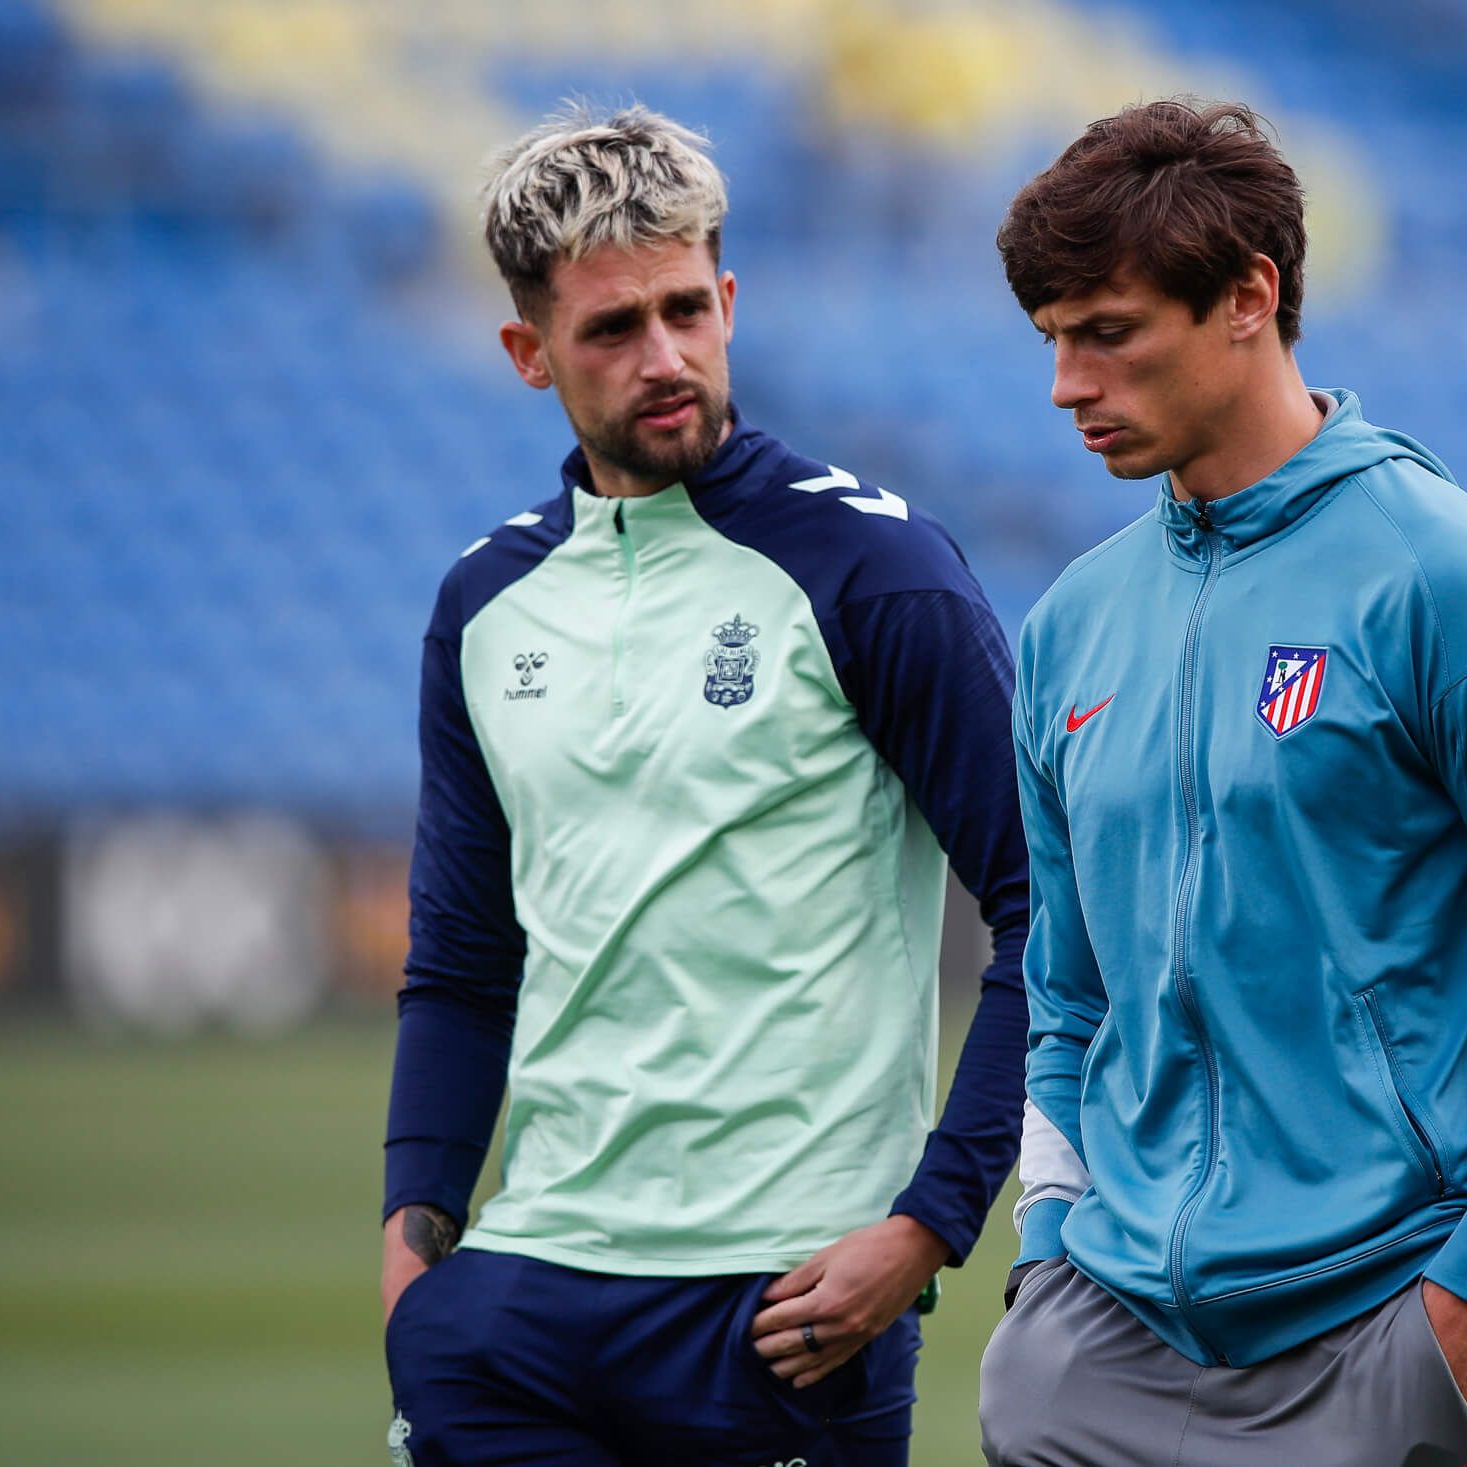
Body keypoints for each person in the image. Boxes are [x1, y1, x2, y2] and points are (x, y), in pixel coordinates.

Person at [979, 99, 1467, 1467]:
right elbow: (1067, 992)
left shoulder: (1452, 582)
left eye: (1106, 332)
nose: (1065, 384)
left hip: (1389, 1322)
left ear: (1250, 298)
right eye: (1052, 340)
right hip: (1107, 1338)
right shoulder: (1070, 623)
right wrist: (1048, 1261)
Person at [380, 104, 1029, 1467]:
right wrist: (415, 1237)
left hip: (786, 1308)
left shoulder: (880, 573)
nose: (664, 357)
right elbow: (460, 955)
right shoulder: (485, 602)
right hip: (521, 1302)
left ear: (729, 300)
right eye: (613, 328)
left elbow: (1057, 913)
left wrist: (927, 1227)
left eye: (687, 309)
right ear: (528, 351)